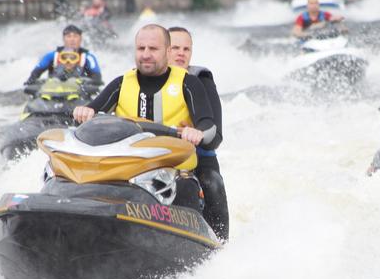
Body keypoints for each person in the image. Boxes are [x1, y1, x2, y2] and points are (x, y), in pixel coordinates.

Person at [72, 24, 220, 212]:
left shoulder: (189, 83)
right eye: (141, 48)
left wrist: (197, 132)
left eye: (153, 49)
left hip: (173, 172)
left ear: (167, 51)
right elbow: (90, 111)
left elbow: (208, 125)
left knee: (187, 188)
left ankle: (210, 239)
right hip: (124, 171)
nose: (146, 54)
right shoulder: (121, 83)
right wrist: (83, 113)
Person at [168, 26, 229, 241]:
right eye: (175, 47)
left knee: (213, 183)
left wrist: (197, 134)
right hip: (153, 157)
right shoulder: (139, 82)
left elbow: (216, 136)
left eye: (186, 49)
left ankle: (220, 245)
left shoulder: (201, 80)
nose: (181, 53)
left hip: (198, 157)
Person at [25, 24, 102, 84]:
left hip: (80, 92)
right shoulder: (52, 56)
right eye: (69, 36)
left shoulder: (88, 57)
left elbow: (97, 77)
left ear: (80, 38)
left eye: (75, 36)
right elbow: (36, 72)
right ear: (63, 38)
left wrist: (93, 83)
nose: (72, 39)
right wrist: (32, 80)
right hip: (54, 91)